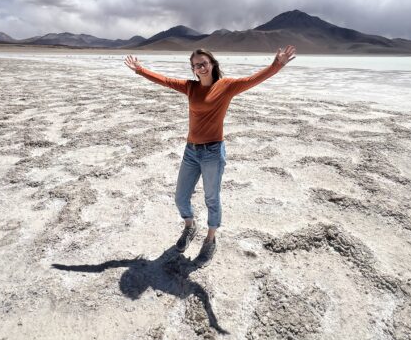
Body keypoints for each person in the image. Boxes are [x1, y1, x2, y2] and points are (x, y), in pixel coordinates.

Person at [124, 45, 296, 266]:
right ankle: (189, 226)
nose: (200, 67)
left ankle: (210, 239)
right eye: (196, 65)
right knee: (180, 197)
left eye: (203, 63)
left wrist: (277, 64)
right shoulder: (190, 88)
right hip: (191, 151)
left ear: (213, 64)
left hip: (213, 152)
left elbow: (253, 80)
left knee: (211, 198)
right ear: (193, 69)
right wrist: (140, 70)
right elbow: (165, 80)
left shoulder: (226, 86)